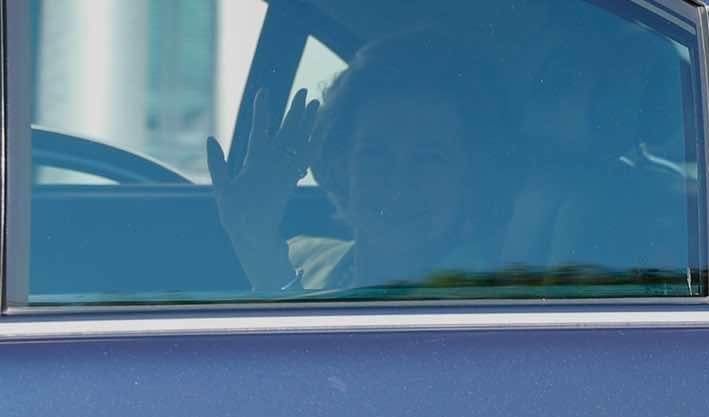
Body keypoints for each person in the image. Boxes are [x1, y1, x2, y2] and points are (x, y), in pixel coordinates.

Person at [206, 30, 514, 293]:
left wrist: (261, 251)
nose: (398, 184)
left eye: (429, 159)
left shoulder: (490, 296)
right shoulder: (301, 255)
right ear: (341, 166)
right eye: (374, 154)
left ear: (471, 176)